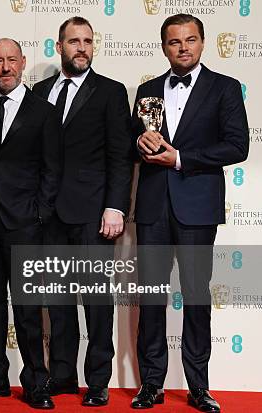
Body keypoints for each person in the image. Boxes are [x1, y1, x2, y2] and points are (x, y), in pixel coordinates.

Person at [131, 14, 248, 412]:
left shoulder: (225, 88)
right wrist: (142, 144)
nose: (183, 47)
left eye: (190, 40)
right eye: (174, 42)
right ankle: (151, 384)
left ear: (203, 43)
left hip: (196, 207)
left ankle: (199, 386)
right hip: (152, 206)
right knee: (150, 298)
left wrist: (180, 158)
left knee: (196, 296)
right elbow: (134, 146)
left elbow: (237, 146)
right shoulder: (147, 90)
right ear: (163, 46)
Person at [32, 16, 132, 407]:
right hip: (47, 214)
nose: (81, 47)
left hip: (92, 212)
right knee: (57, 302)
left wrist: (114, 207)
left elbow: (120, 157)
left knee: (95, 302)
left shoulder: (109, 92)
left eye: (88, 41)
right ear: (59, 46)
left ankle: (98, 381)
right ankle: (61, 376)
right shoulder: (38, 91)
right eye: (74, 41)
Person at [0, 38, 59, 410]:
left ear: (22, 63)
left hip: (25, 223)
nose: (5, 67)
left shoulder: (44, 112)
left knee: (27, 306)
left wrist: (39, 214)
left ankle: (37, 382)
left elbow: (53, 169)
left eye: (11, 60)